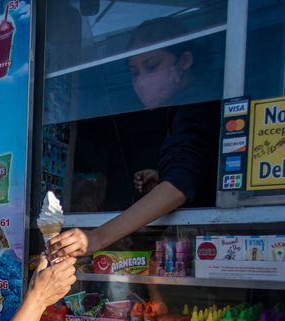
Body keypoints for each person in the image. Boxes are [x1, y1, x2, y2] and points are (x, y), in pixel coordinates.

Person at [48, 17, 220, 260]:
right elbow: (193, 171)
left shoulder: (197, 105)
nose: (141, 81)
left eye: (151, 66)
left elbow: (180, 186)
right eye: (134, 73)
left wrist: (96, 237)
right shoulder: (181, 109)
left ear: (185, 61)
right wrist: (164, 178)